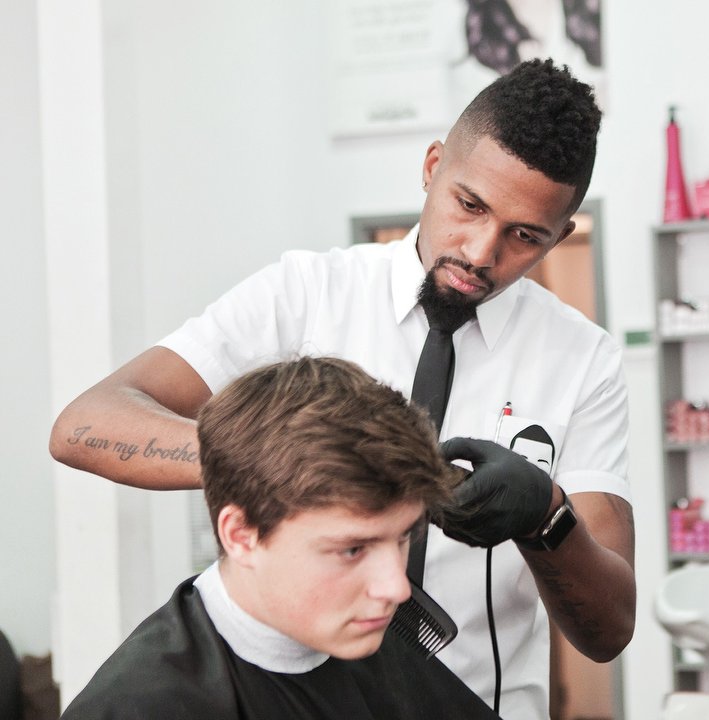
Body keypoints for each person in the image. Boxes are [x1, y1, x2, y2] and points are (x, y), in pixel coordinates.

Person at [50, 57, 635, 720]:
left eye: (524, 236)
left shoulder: (583, 360)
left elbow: (609, 631)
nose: (479, 251)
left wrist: (546, 519)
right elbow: (85, 425)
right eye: (468, 206)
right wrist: (289, 469)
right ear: (432, 164)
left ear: (559, 235)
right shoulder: (304, 295)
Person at [61, 357, 500, 719]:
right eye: (352, 549)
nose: (397, 588)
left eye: (403, 537)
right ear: (241, 535)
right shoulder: (142, 707)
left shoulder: (366, 637)